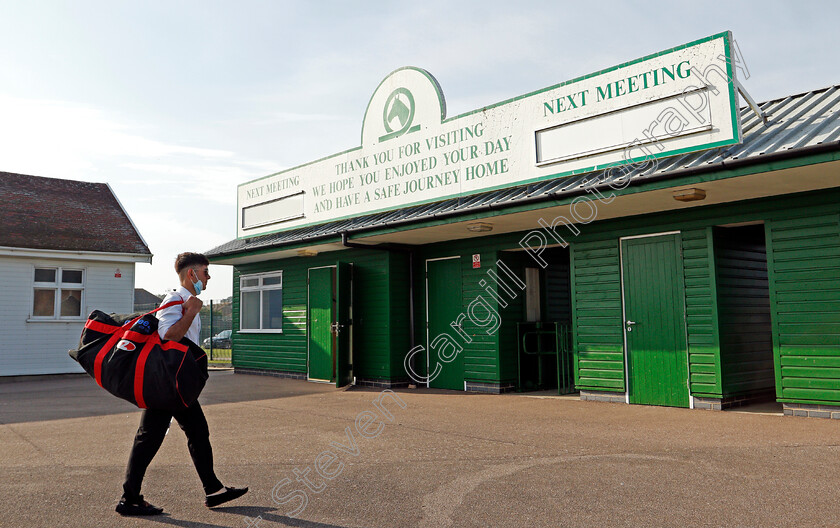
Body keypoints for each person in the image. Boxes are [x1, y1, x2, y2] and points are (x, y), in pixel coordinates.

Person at [116, 252, 248, 516]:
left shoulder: (188, 301)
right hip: (168, 383)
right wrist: (191, 312)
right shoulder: (176, 300)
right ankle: (130, 498)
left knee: (191, 432)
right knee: (153, 437)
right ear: (192, 274)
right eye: (205, 272)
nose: (208, 277)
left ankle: (212, 489)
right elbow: (168, 335)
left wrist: (192, 309)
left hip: (174, 382)